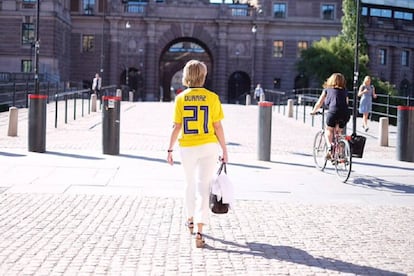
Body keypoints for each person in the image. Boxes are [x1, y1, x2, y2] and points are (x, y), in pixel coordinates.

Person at [166, 60, 228, 248]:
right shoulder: (212, 98)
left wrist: (169, 149)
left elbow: (177, 126)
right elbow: (217, 126)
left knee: (189, 183)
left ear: (186, 76)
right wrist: (225, 150)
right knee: (204, 186)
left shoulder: (181, 98)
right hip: (209, 146)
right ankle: (200, 231)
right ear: (203, 75)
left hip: (188, 146)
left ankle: (190, 219)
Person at [311, 73, 350, 159]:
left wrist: (314, 111)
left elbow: (319, 102)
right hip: (345, 113)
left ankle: (329, 148)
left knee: (329, 129)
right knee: (339, 132)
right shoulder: (345, 91)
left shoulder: (327, 90)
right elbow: (346, 103)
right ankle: (340, 152)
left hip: (333, 112)